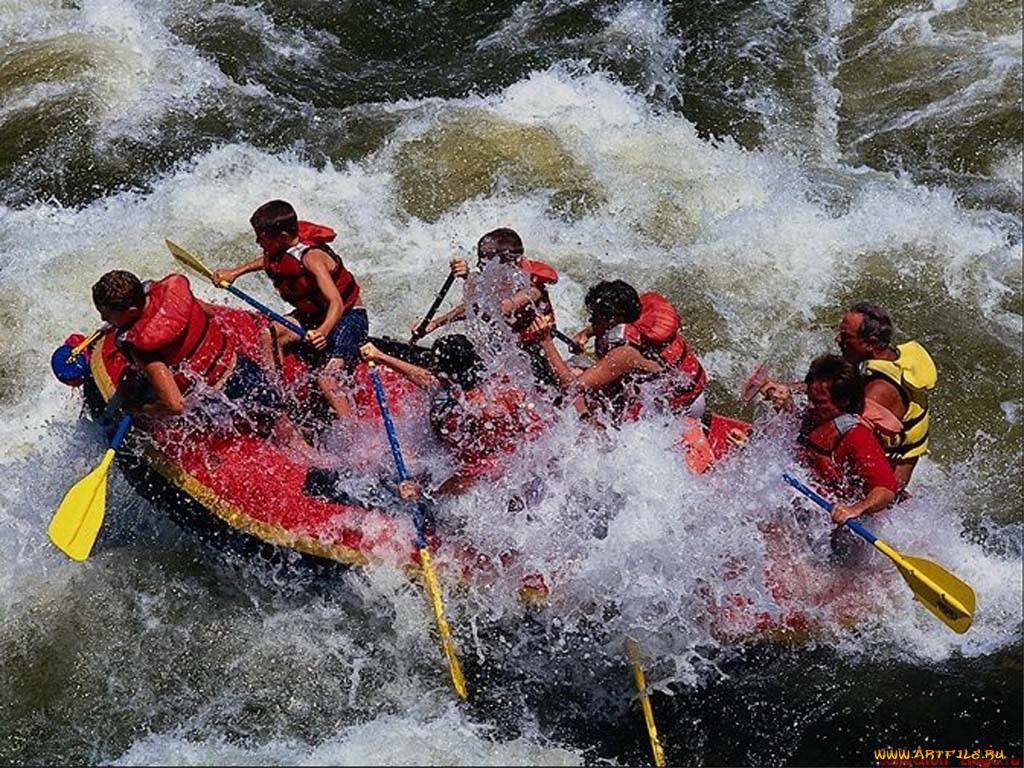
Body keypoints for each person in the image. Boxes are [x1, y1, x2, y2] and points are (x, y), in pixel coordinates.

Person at [91, 269, 314, 457]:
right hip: (242, 367)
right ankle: (320, 454)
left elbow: (175, 406)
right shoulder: (175, 297)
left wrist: (138, 409)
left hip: (221, 397)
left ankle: (316, 468)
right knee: (285, 427)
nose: (103, 320)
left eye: (106, 315)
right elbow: (209, 311)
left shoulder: (143, 347)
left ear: (131, 312)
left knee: (288, 444)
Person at [211, 200, 368, 419]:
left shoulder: (312, 258)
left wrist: (322, 332)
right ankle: (276, 400)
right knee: (269, 334)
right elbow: (269, 261)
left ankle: (355, 434)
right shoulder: (282, 249)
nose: (257, 241)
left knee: (327, 379)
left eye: (262, 237)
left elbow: (336, 303)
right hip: (313, 316)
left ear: (283, 237)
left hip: (348, 319)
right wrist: (235, 272)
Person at [761, 302, 937, 489]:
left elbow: (829, 432)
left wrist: (789, 409)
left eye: (846, 337)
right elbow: (835, 386)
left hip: (874, 491)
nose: (837, 340)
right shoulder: (885, 356)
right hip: (869, 464)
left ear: (870, 343)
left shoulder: (880, 391)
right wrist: (787, 389)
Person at [361, 334, 544, 495]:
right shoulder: (496, 382)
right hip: (506, 460)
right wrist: (381, 357)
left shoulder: (478, 414)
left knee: (388, 467)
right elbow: (429, 380)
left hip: (494, 485)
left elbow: (473, 474)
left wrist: (425, 492)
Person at [531, 279, 707, 423]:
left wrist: (545, 341)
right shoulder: (633, 316)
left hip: (681, 409)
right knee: (575, 370)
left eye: (595, 317)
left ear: (614, 319)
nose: (591, 320)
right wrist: (586, 333)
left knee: (575, 389)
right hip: (672, 391)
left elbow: (573, 389)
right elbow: (609, 326)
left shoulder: (624, 354)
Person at [412, 228, 560, 385]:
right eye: (480, 261)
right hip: (506, 348)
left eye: (485, 263)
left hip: (533, 357)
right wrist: (434, 323)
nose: (481, 268)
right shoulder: (501, 276)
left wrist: (467, 278)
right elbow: (475, 305)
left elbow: (499, 310)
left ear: (509, 262)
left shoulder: (533, 287)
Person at [797, 355, 899, 526]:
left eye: (819, 402)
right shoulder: (816, 417)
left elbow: (886, 490)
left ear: (843, 401)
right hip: (813, 504)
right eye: (809, 399)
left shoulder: (857, 436)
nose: (810, 407)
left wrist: (855, 509)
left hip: (855, 522)